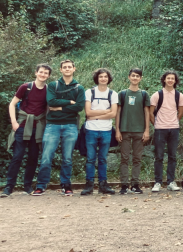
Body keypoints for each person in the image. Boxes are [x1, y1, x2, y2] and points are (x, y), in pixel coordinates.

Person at [33, 60, 86, 196]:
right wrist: (69, 102)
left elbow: (79, 107)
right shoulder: (53, 85)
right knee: (46, 156)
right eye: (64, 67)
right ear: (61, 70)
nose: (67, 69)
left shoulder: (79, 88)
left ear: (74, 69)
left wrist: (59, 108)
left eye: (69, 67)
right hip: (52, 125)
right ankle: (41, 185)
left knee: (67, 158)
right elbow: (51, 102)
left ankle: (66, 185)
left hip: (70, 125)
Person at [2, 64, 52, 197]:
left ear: (49, 76)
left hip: (38, 127)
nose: (43, 75)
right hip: (22, 125)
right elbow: (12, 104)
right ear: (36, 73)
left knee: (33, 157)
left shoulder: (48, 89)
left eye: (46, 73)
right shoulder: (26, 87)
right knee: (17, 156)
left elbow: (49, 107)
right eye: (41, 72)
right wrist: (14, 121)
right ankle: (9, 187)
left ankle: (27, 186)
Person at [81, 68, 118, 196]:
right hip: (91, 129)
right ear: (97, 78)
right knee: (90, 159)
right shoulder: (89, 92)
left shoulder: (113, 94)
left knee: (102, 159)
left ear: (109, 79)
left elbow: (113, 113)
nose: (103, 78)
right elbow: (88, 113)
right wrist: (105, 112)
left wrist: (96, 115)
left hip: (106, 130)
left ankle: (103, 185)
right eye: (101, 76)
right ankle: (89, 185)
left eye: (105, 77)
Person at [115, 68, 151, 195]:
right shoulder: (122, 93)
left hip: (139, 131)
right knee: (124, 158)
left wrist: (147, 130)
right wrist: (117, 130)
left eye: (138, 76)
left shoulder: (144, 94)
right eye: (133, 76)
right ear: (129, 77)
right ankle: (124, 185)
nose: (135, 78)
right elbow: (118, 112)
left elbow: (147, 113)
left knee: (137, 158)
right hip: (124, 130)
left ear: (141, 78)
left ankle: (135, 184)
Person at [150, 70, 183, 192]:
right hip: (160, 129)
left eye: (172, 78)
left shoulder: (179, 95)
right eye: (168, 78)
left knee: (172, 156)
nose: (170, 80)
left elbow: (180, 112)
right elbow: (150, 113)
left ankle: (171, 182)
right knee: (159, 156)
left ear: (175, 81)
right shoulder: (156, 95)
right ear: (164, 80)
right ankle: (158, 182)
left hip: (174, 129)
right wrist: (158, 124)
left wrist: (173, 122)